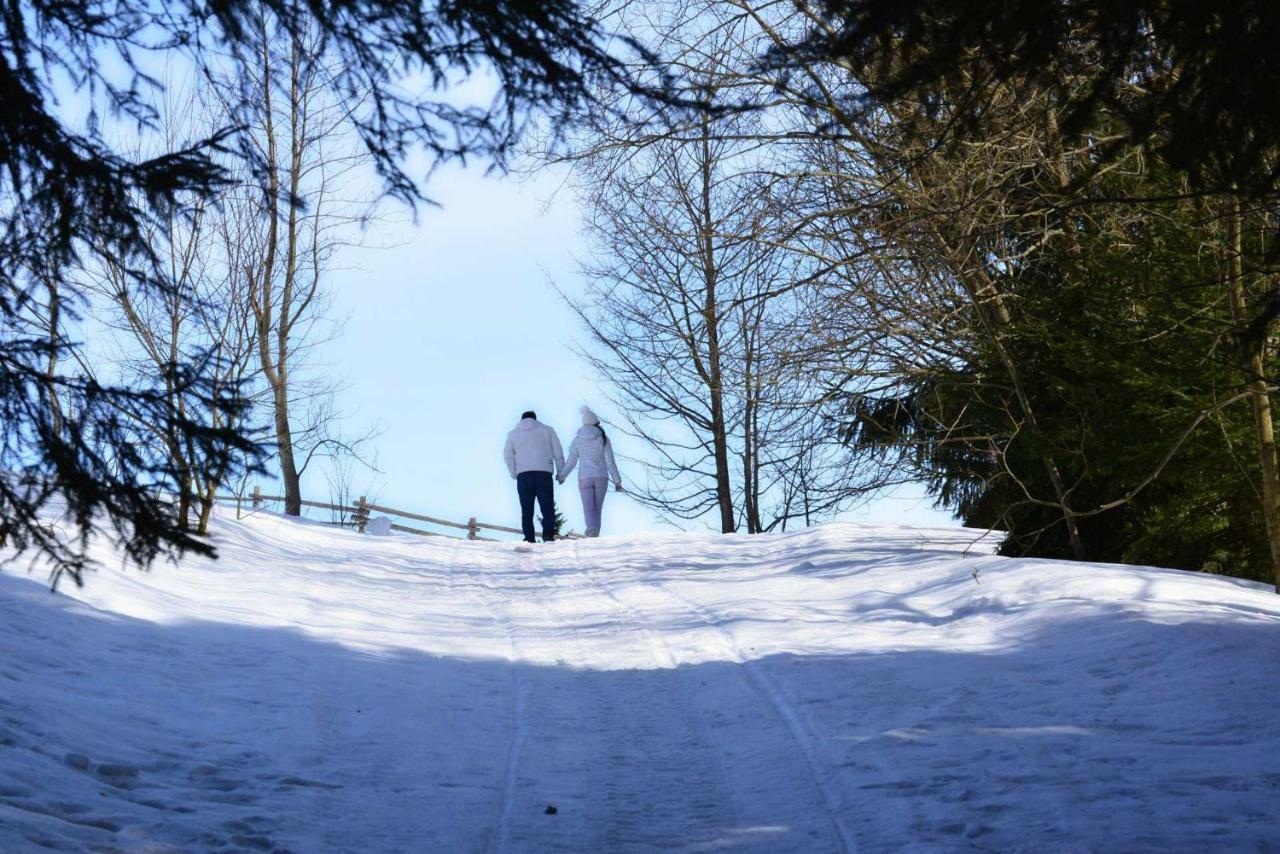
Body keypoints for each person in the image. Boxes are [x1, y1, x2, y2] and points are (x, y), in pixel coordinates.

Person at [559, 406, 622, 537]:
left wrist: (562, 476)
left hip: (584, 478)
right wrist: (617, 480)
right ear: (596, 423)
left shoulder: (577, 440)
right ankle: (595, 533)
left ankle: (592, 530)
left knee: (588, 508)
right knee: (597, 509)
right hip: (601, 477)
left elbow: (571, 460)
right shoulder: (603, 438)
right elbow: (610, 461)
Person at [504, 410, 565, 543]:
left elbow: (508, 456)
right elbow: (558, 452)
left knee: (526, 510)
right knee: (547, 507)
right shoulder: (547, 430)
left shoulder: (513, 434)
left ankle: (529, 538)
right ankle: (548, 535)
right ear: (536, 419)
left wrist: (514, 473)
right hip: (544, 473)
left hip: (523, 475)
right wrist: (561, 473)